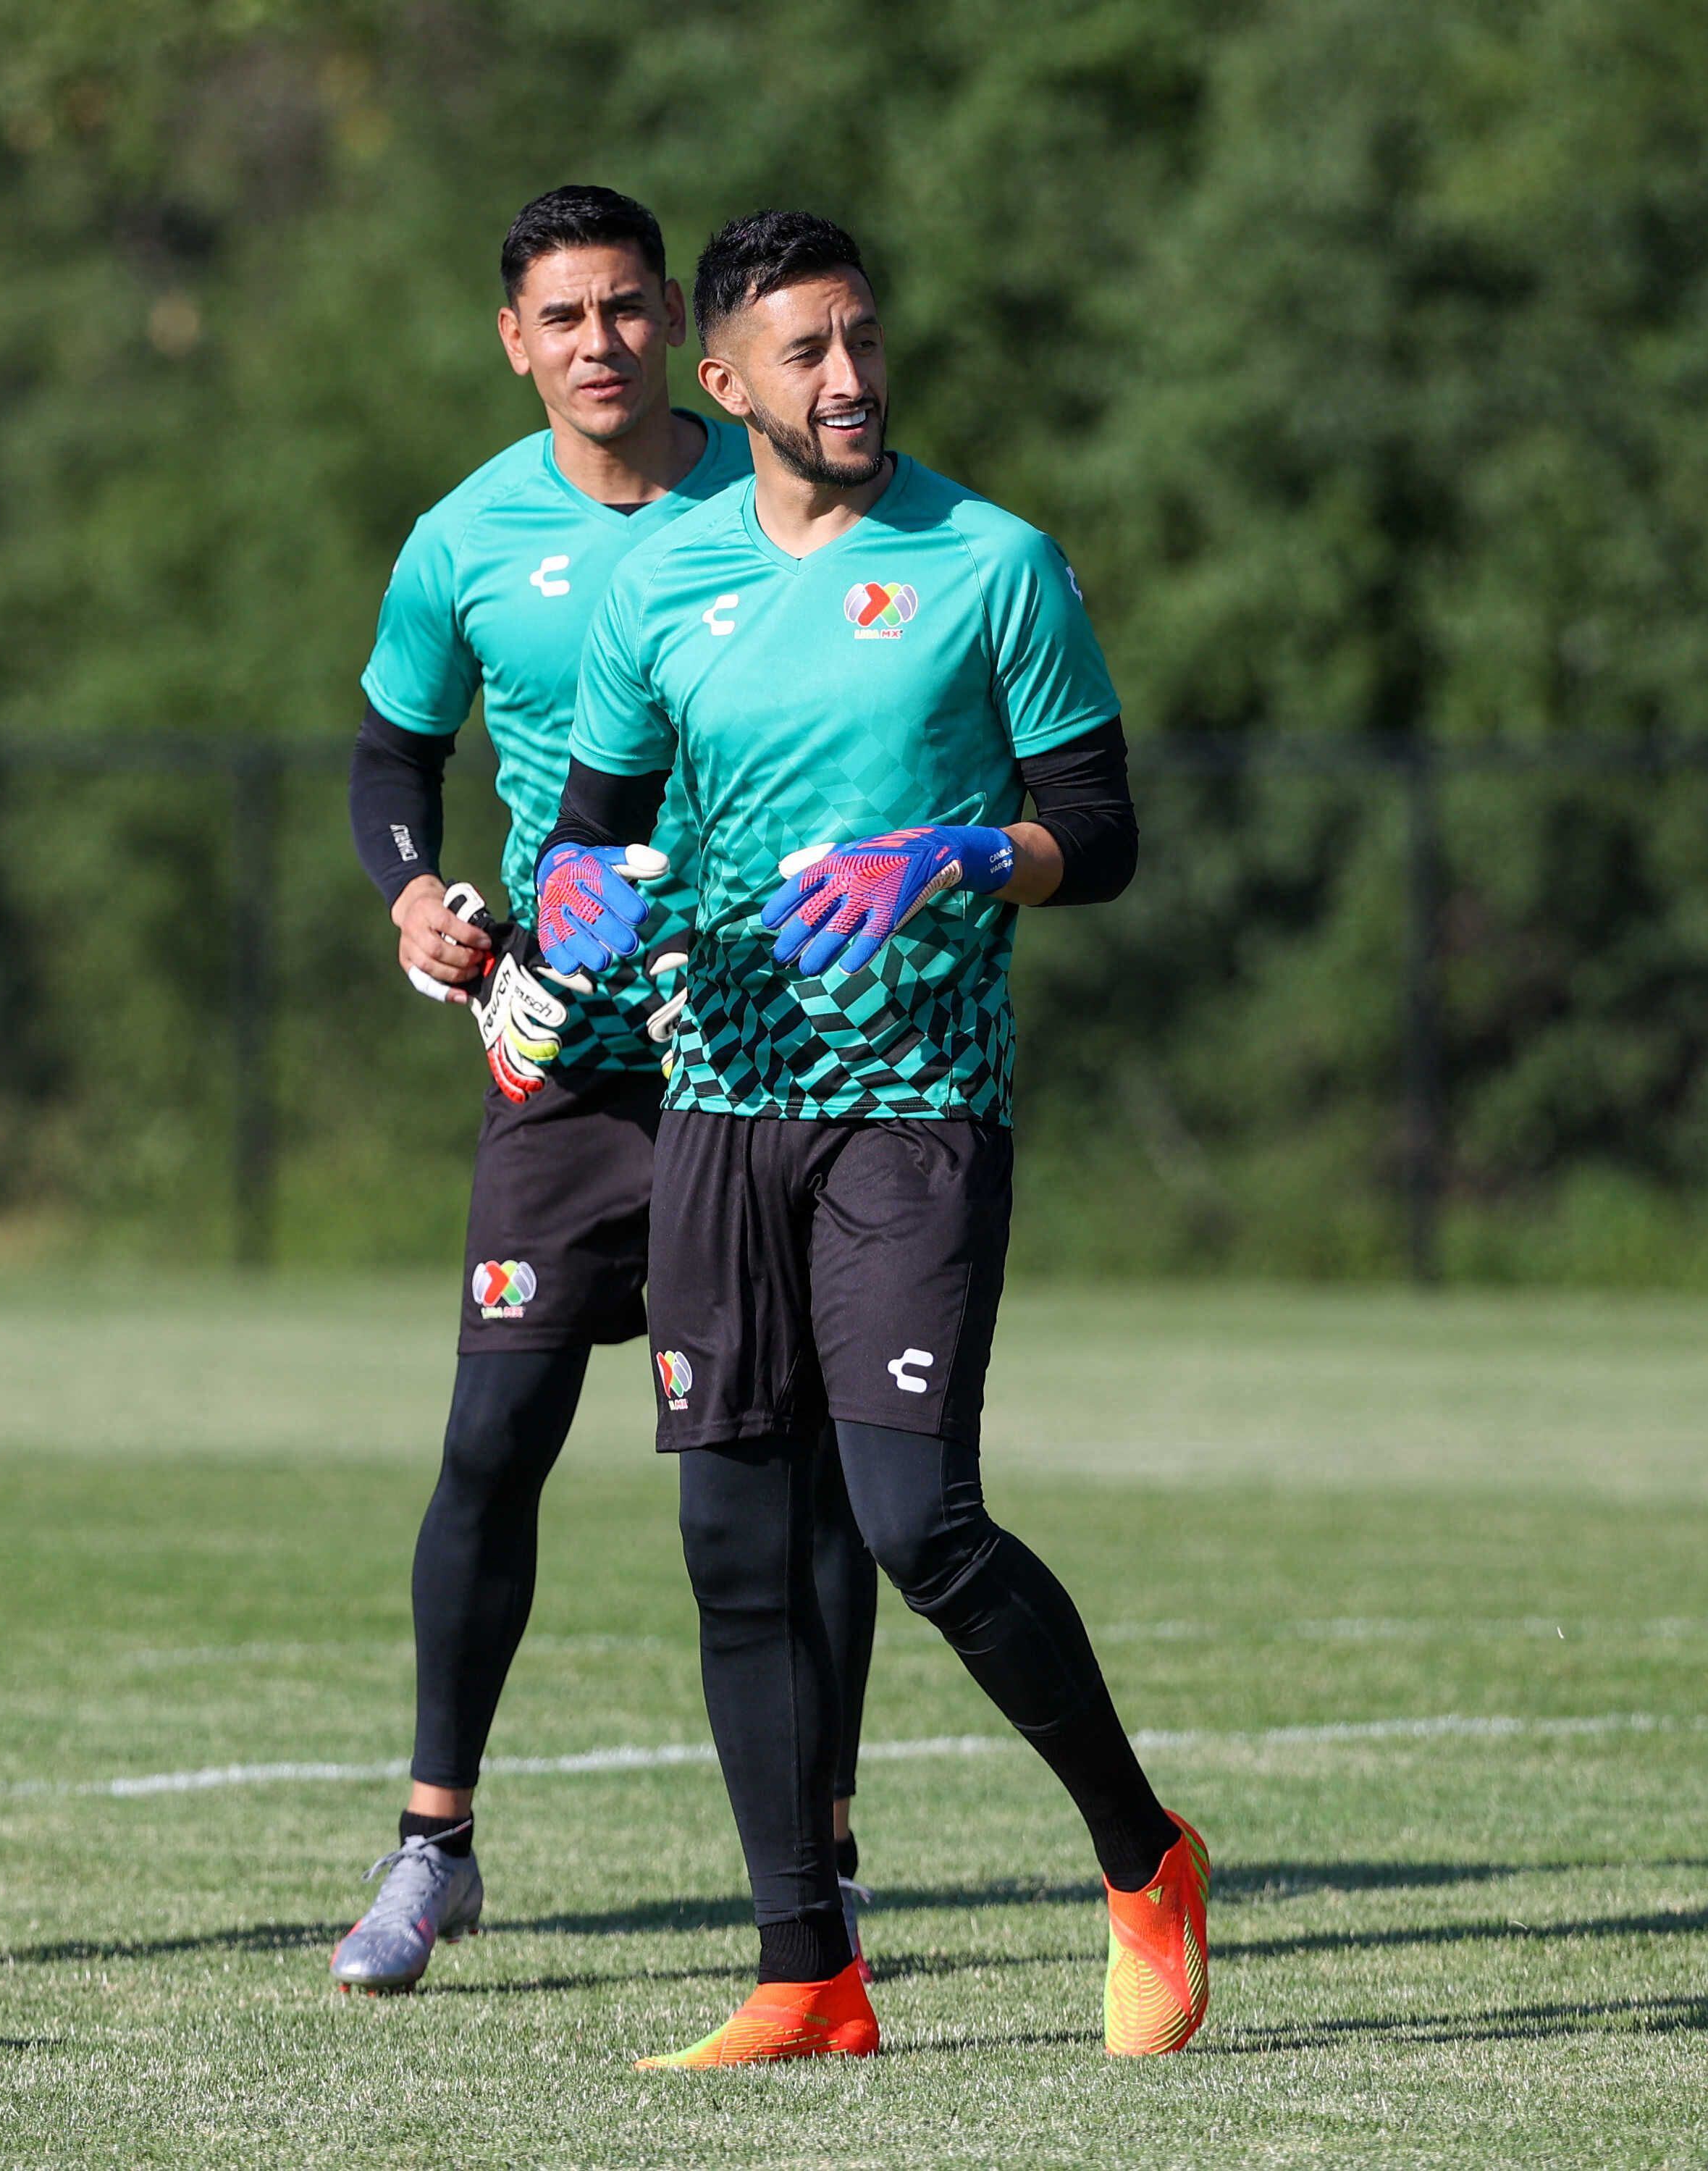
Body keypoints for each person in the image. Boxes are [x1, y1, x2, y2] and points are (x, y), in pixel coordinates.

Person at [542, 211, 1206, 2068]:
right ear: (723, 381)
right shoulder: (655, 584)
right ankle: (804, 1971)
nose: (847, 381)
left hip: (915, 1104)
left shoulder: (993, 563)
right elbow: (590, 830)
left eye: (861, 342)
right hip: (718, 1104)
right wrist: (574, 902)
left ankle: (1144, 1858)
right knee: (730, 1539)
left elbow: (1106, 823)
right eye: (805, 355)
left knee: (916, 1519)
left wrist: (971, 852)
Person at [333, 187, 884, 1994]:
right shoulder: (464, 538)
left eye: (626, 310)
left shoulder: (777, 497)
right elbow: (392, 752)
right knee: (494, 1435)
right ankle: (433, 1847)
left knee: (784, 1475)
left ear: (679, 330)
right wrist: (415, 888)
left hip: (760, 1047)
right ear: (515, 339)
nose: (596, 343)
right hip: (560, 1053)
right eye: (560, 316)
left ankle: (820, 1853)